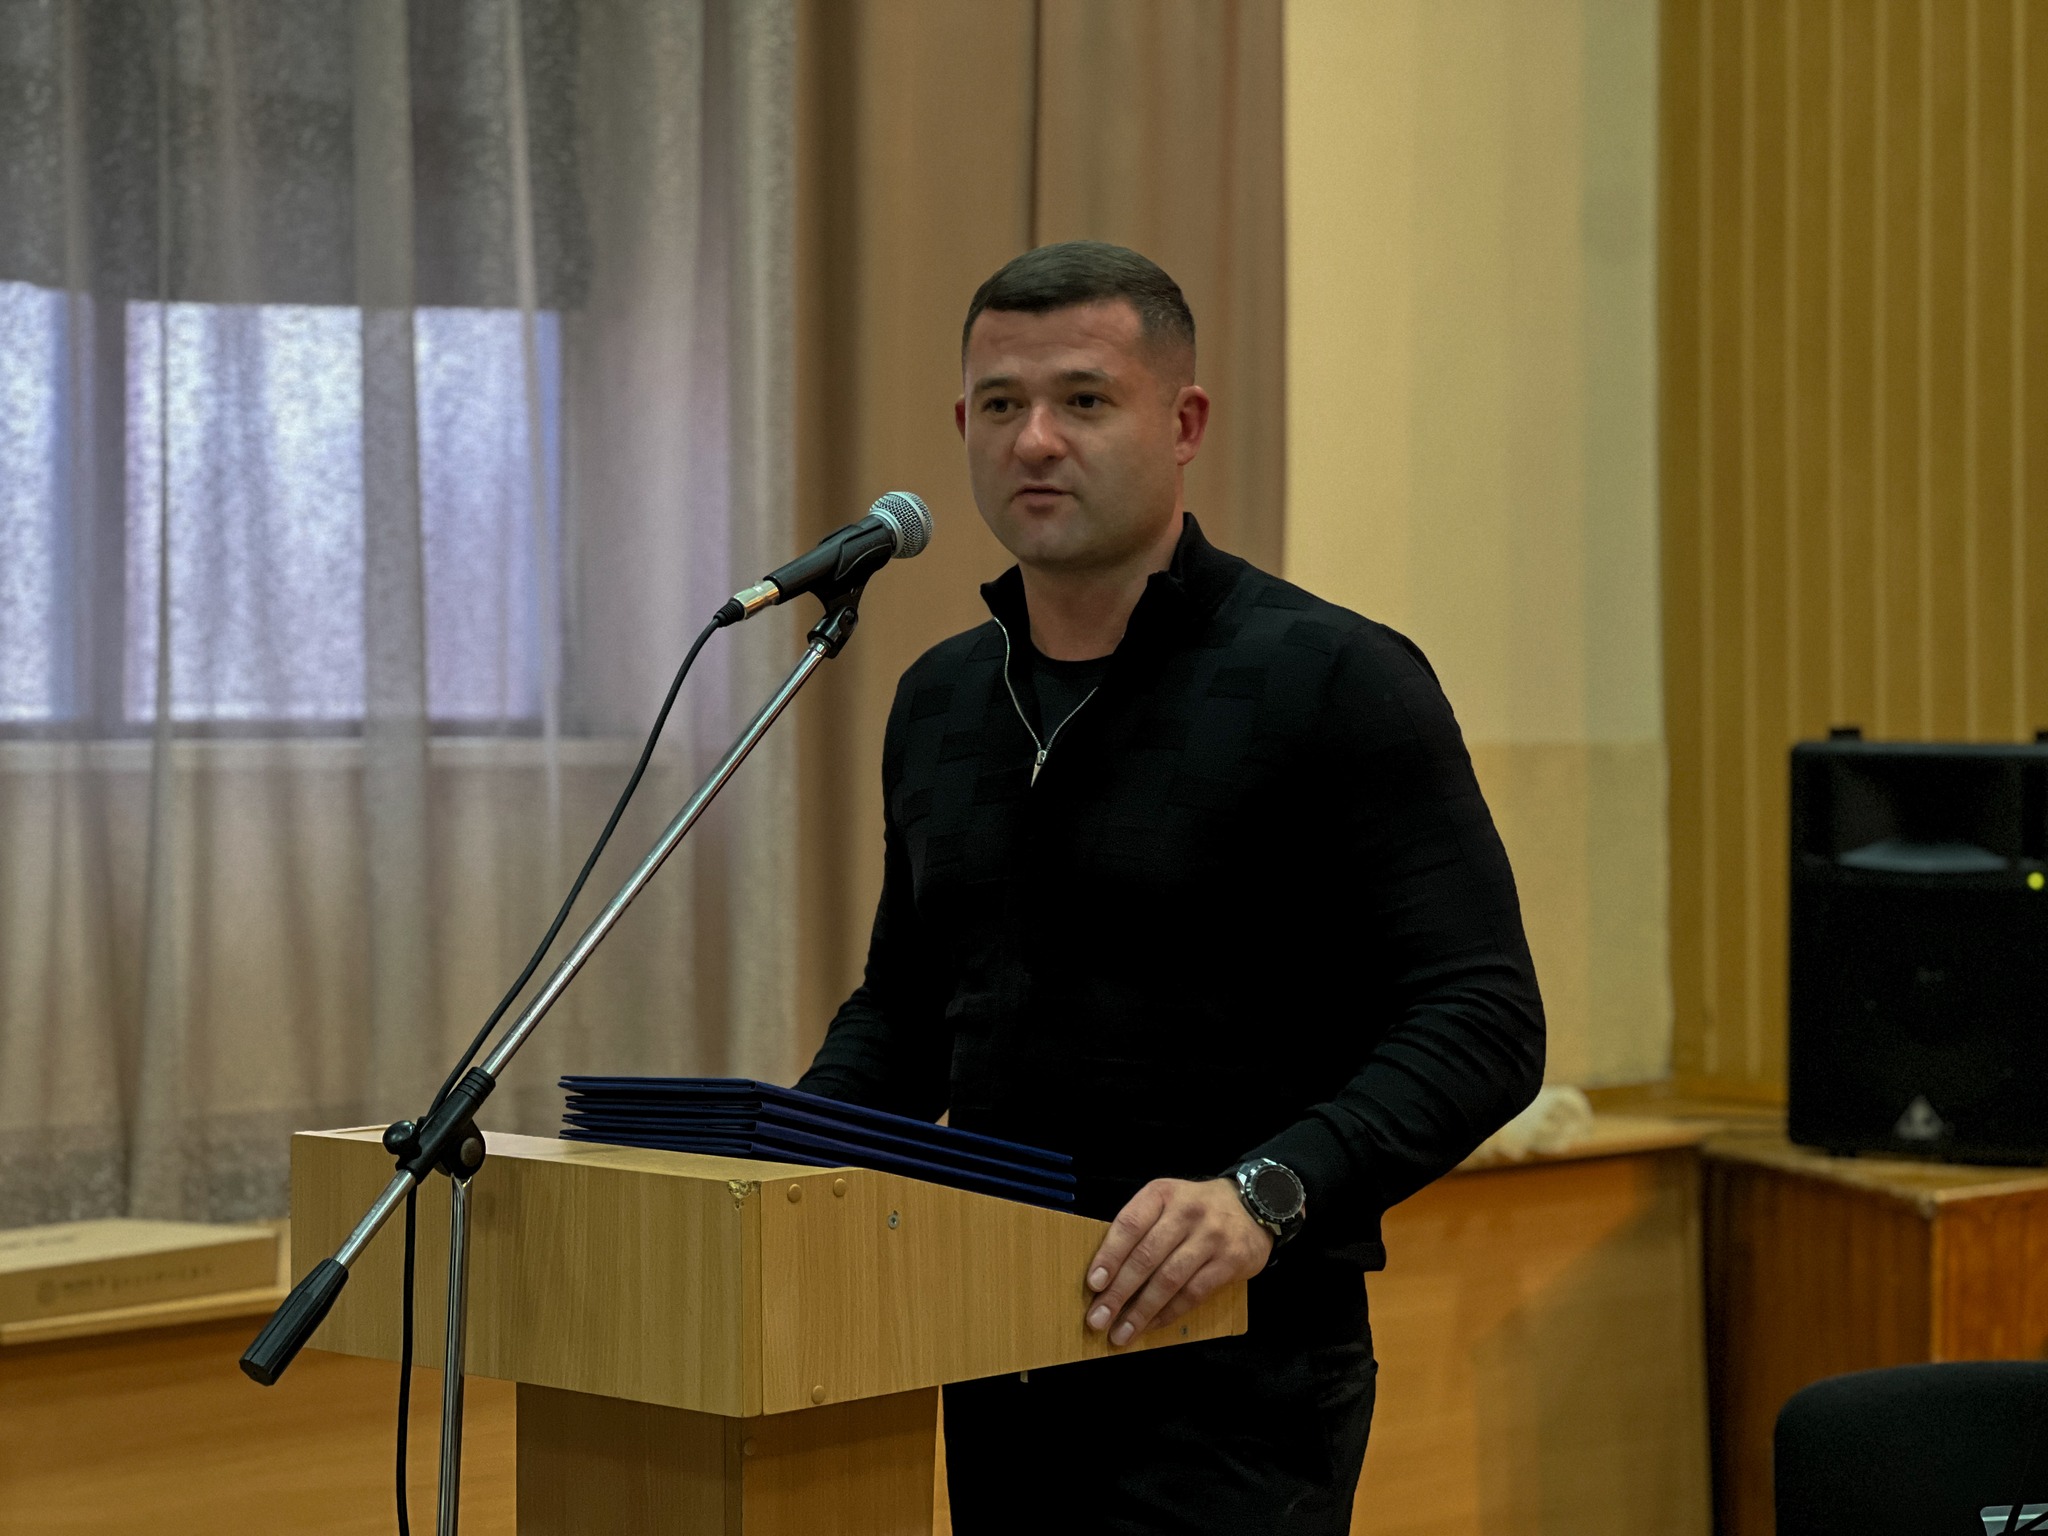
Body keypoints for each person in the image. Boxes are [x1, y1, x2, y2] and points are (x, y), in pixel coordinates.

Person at [797, 241, 1545, 1535]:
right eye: (1000, 404)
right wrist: (776, 1157)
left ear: (1184, 424)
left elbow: (1483, 1018)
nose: (1035, 439)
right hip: (989, 1354)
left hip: (1240, 1368)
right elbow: (911, 1012)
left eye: (1084, 400)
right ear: (962, 428)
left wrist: (1267, 1193)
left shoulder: (1332, 679)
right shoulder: (941, 700)